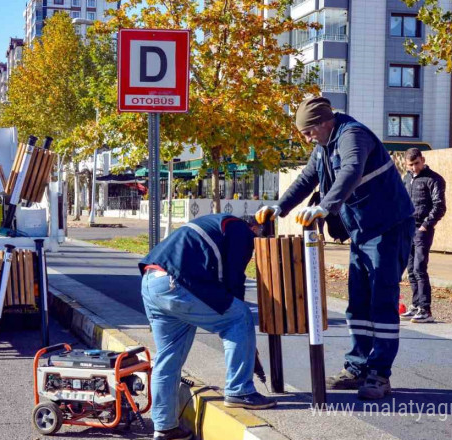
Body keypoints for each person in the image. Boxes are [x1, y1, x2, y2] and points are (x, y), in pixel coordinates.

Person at [255, 97, 414, 400]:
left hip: (389, 228)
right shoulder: (324, 147)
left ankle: (379, 374)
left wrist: (325, 207)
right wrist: (280, 207)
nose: (306, 138)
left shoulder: (353, 135)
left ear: (325, 122)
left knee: (381, 301)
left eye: (308, 132)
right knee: (358, 302)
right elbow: (306, 179)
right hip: (363, 232)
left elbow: (351, 171)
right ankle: (357, 367)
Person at [139, 213, 274, 440]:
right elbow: (233, 278)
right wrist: (241, 327)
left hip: (151, 282)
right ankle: (240, 390)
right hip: (176, 283)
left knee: (168, 356)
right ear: (254, 227)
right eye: (259, 237)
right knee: (239, 317)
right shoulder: (240, 229)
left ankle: (164, 427)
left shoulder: (216, 224)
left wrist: (245, 344)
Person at [400, 148, 446, 323]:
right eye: (410, 165)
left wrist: (427, 225)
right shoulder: (406, 179)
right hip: (407, 229)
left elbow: (439, 206)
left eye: (417, 163)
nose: (414, 168)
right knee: (411, 269)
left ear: (423, 159)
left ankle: (426, 310)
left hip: (422, 229)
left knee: (419, 268)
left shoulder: (434, 179)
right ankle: (416, 305)